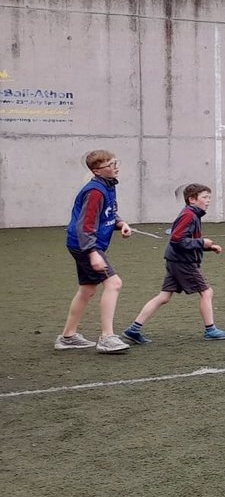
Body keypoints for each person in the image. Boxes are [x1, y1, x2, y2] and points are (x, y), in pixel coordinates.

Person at [123, 183, 225, 343]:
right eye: (205, 197)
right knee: (206, 292)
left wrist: (207, 247)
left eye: (209, 197)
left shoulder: (192, 214)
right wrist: (202, 243)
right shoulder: (189, 215)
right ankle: (211, 330)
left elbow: (185, 240)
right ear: (192, 200)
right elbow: (177, 240)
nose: (208, 201)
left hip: (175, 260)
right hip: (183, 262)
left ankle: (134, 329)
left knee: (164, 296)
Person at [57, 150, 133, 353]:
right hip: (85, 245)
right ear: (97, 171)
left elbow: (109, 213)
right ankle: (107, 337)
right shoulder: (95, 191)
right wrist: (92, 252)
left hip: (84, 244)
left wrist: (121, 223)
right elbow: (86, 224)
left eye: (115, 162)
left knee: (87, 289)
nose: (115, 166)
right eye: (110, 164)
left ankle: (68, 337)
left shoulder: (108, 186)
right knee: (114, 283)